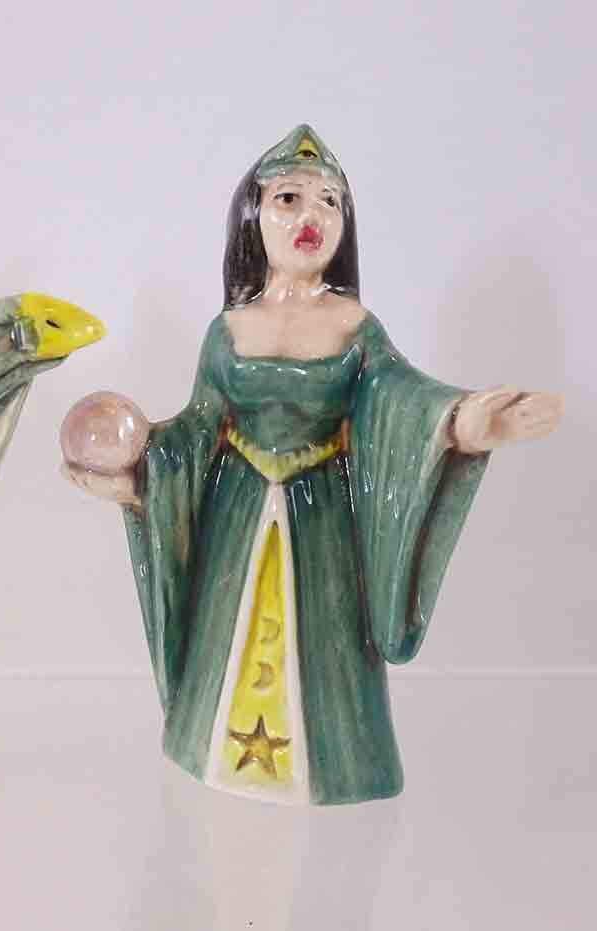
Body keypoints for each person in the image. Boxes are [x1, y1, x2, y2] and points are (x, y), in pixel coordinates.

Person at [61, 125, 563, 804]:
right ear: (254, 218)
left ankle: (331, 763)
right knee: (228, 636)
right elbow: (195, 434)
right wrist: (136, 473)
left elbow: (404, 401)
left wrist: (464, 423)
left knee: (323, 644)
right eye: (290, 198)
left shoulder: (357, 329)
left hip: (322, 522)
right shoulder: (227, 331)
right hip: (237, 518)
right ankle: (214, 745)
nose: (312, 216)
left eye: (330, 202)